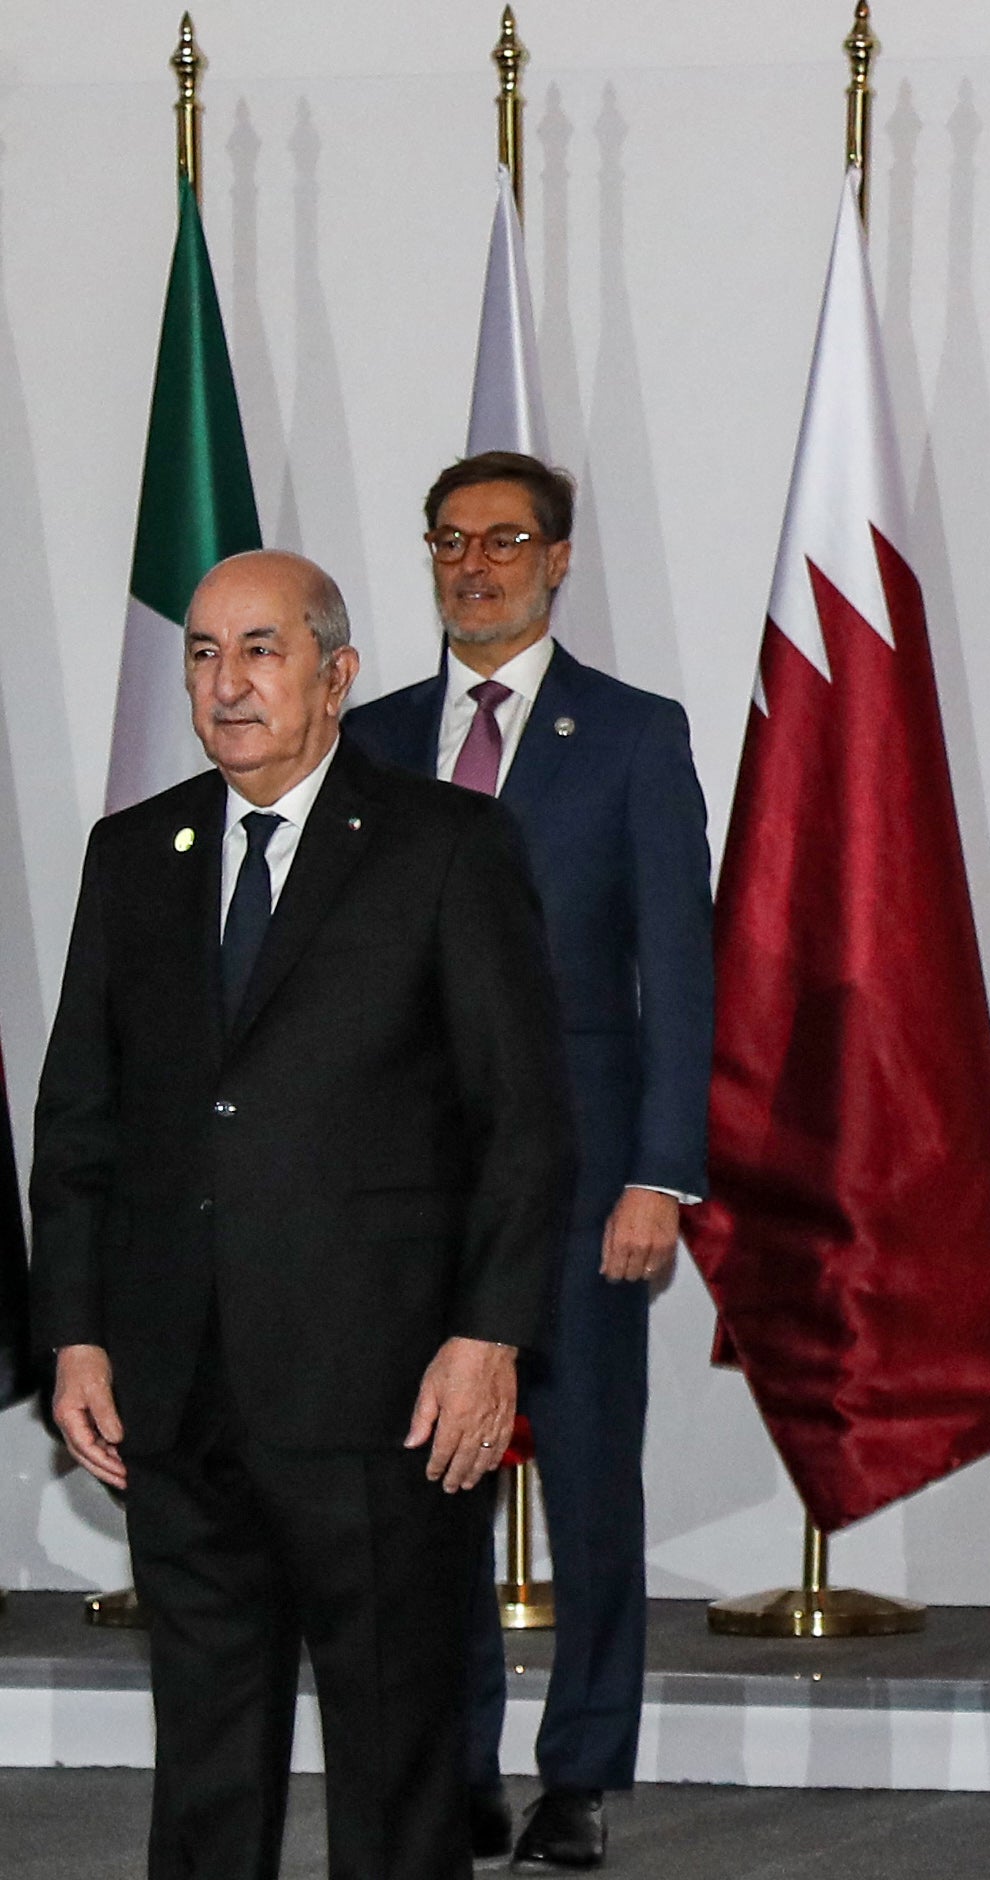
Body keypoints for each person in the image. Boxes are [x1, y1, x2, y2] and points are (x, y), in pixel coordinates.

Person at [31, 549, 574, 1880]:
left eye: (261, 650)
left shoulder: (446, 848)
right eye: (205, 653)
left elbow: (525, 1122)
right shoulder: (133, 855)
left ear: (335, 676)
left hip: (385, 1399)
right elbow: (80, 1121)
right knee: (206, 1765)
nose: (228, 683)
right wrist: (79, 1335)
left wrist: (487, 1337)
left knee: (395, 1769)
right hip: (180, 1397)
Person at [344, 451, 714, 1871]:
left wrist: (660, 1173)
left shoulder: (630, 734)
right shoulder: (365, 739)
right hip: (402, 1194)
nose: (473, 565)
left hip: (580, 1183)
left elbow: (676, 969)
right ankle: (451, 1767)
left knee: (592, 1487)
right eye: (449, 541)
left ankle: (581, 1771)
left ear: (560, 559)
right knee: (422, 1488)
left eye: (504, 540)